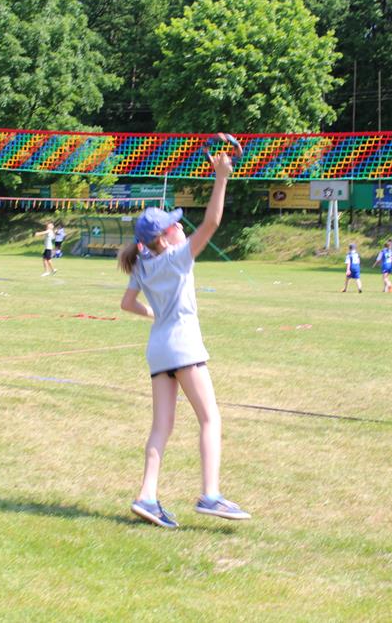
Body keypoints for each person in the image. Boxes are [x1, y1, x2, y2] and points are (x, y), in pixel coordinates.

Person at [117, 151, 249, 529]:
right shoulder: (176, 257)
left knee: (161, 428)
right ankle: (210, 495)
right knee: (210, 418)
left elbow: (127, 303)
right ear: (163, 236)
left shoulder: (142, 263)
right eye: (172, 225)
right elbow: (213, 221)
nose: (178, 226)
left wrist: (154, 314)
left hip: (159, 348)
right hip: (184, 345)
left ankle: (147, 496)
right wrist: (221, 177)